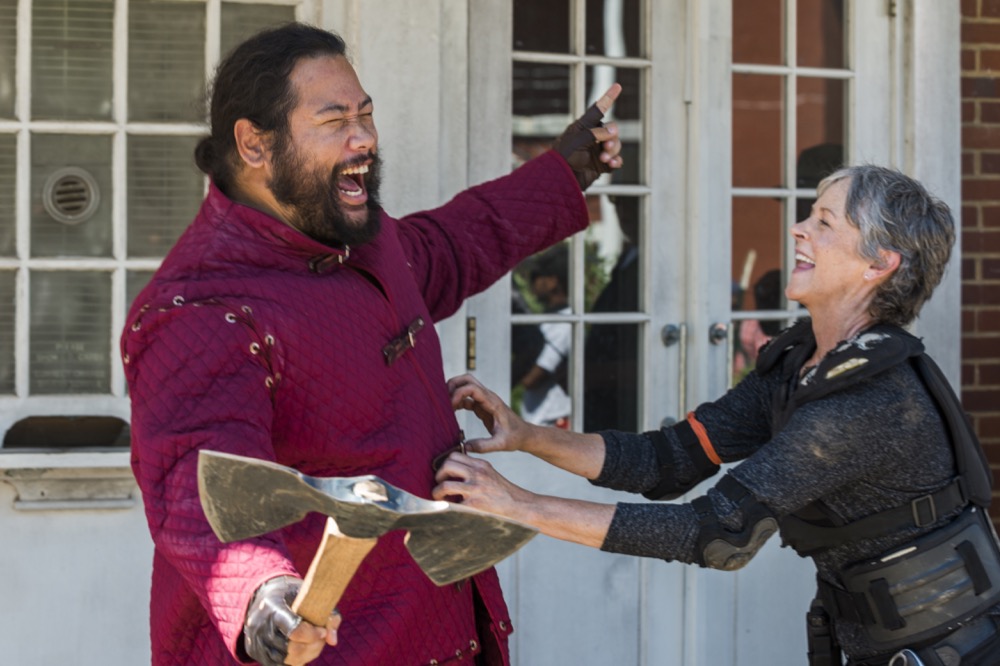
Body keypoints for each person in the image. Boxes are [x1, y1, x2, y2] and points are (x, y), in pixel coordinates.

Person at [121, 22, 623, 666]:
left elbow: (450, 245)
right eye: (334, 120)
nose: (364, 138)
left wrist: (561, 175)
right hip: (324, 646)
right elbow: (198, 487)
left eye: (365, 114)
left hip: (438, 627)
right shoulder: (200, 308)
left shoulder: (355, 236)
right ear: (253, 143)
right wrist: (261, 595)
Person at [434, 165, 1000, 665]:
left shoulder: (869, 401)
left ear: (879, 263)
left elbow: (717, 535)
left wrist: (520, 505)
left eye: (825, 223)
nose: (798, 230)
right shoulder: (801, 363)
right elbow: (669, 460)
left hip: (954, 649)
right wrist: (528, 436)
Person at [514, 244, 572, 428]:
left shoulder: (563, 325)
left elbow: (531, 379)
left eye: (537, 277)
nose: (533, 284)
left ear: (552, 282)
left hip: (551, 424)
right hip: (537, 421)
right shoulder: (551, 319)